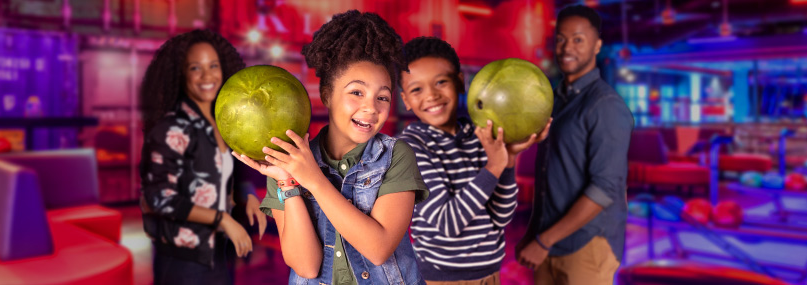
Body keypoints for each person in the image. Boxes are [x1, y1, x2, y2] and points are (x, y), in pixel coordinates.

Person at [234, 10, 429, 285]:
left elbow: (378, 249)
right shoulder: (285, 165)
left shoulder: (396, 156)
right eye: (356, 92)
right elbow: (306, 266)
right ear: (327, 95)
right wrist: (287, 184)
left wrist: (314, 180)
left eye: (382, 97)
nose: (371, 108)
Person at [396, 36, 549, 284]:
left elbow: (500, 217)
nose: (432, 95)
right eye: (417, 89)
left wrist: (508, 159)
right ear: (406, 100)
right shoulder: (409, 148)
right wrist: (495, 165)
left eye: (441, 82)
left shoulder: (480, 136)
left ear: (459, 82)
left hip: (489, 274)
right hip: (442, 279)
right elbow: (447, 223)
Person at [515, 5, 634, 285]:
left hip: (587, 243)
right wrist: (535, 234)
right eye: (561, 39)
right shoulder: (554, 101)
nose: (567, 47)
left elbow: (605, 188)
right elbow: (548, 179)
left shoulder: (606, 106)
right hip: (549, 241)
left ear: (597, 46)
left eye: (578, 39)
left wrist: (543, 241)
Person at [139, 29, 269, 285]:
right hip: (183, 258)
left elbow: (225, 177)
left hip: (219, 252)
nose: (207, 76)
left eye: (213, 66)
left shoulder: (223, 124)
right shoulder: (172, 128)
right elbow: (158, 199)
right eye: (195, 68)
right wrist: (223, 220)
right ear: (181, 75)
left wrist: (249, 196)